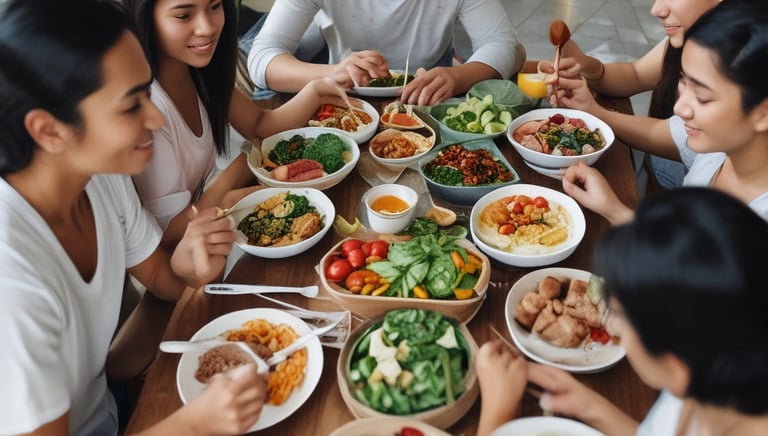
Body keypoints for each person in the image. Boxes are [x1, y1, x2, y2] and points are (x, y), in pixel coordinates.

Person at [0, 1, 266, 434]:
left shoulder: (100, 177)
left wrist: (187, 262)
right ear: (48, 130)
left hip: (111, 407)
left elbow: (162, 276)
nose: (156, 116)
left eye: (147, 90)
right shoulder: (11, 279)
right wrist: (196, 425)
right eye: (131, 106)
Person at [480, 187, 768, 435]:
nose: (613, 327)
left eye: (618, 315)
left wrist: (497, 411)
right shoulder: (715, 376)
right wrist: (590, 407)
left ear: (674, 365)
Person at [561, 0, 768, 225]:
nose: (678, 108)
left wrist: (615, 212)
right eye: (682, 81)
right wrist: (594, 111)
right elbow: (665, 131)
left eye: (702, 97)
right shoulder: (720, 147)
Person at [546, 0, 721, 190]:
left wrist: (600, 113)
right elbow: (635, 75)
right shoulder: (693, 38)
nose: (656, 10)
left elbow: (677, 138)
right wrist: (585, 64)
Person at [246, 0, 526, 106]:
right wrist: (334, 73)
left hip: (428, 105)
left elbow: (503, 43)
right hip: (343, 103)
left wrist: (459, 76)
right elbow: (262, 59)